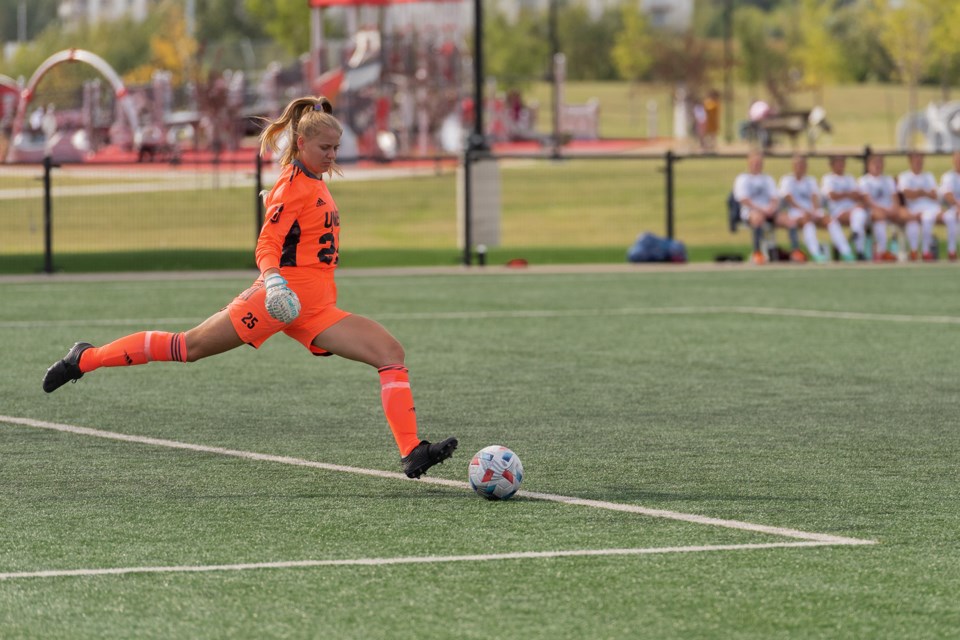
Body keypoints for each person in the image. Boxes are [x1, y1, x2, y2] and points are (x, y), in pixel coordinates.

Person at [41, 95, 458, 479]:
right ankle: (86, 358)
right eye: (324, 148)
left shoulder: (308, 181)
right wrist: (274, 280)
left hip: (314, 308)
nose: (332, 156)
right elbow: (267, 243)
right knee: (189, 347)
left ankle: (412, 452)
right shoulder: (293, 185)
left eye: (335, 148)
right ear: (300, 144)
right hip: (278, 299)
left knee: (390, 353)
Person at [779, 154, 844, 263]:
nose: (800, 167)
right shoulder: (787, 180)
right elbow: (789, 199)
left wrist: (814, 211)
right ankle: (816, 253)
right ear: (793, 166)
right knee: (807, 222)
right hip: (796, 213)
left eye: (802, 165)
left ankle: (846, 252)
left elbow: (815, 198)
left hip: (811, 211)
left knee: (830, 220)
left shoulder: (811, 180)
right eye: (798, 165)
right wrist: (806, 211)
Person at [733, 150, 784, 264]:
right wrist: (761, 209)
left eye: (759, 163)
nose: (757, 165)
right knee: (757, 218)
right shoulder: (743, 178)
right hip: (751, 212)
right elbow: (743, 199)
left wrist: (771, 208)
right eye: (754, 162)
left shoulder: (768, 179)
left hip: (769, 211)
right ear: (749, 163)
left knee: (789, 220)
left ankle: (794, 251)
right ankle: (757, 252)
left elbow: (775, 197)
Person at [898, 152, 946, 261]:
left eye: (920, 159)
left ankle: (926, 251)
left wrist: (920, 192)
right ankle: (914, 252)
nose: (918, 162)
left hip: (930, 209)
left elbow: (934, 195)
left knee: (931, 217)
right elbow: (907, 194)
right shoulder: (905, 176)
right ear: (910, 161)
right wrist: (924, 193)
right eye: (916, 159)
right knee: (913, 222)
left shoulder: (929, 176)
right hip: (913, 209)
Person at [857, 154, 899, 262]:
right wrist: (884, 210)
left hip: (888, 211)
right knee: (879, 218)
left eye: (880, 162)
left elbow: (895, 198)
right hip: (872, 212)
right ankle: (882, 251)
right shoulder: (864, 180)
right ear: (868, 165)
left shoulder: (888, 179)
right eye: (874, 163)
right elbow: (867, 201)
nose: (877, 165)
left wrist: (894, 209)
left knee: (907, 215)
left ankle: (910, 252)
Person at [819, 156, 861, 261]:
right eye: (838, 163)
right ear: (832, 165)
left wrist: (842, 195)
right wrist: (848, 194)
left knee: (860, 213)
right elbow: (832, 195)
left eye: (842, 163)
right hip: (836, 212)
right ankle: (846, 252)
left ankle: (856, 238)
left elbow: (857, 195)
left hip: (852, 211)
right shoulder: (828, 179)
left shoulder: (850, 178)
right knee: (833, 223)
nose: (840, 166)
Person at [937, 151, 960, 261]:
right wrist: (957, 206)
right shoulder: (948, 176)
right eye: (957, 159)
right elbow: (947, 195)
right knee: (951, 217)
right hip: (952, 209)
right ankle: (951, 251)